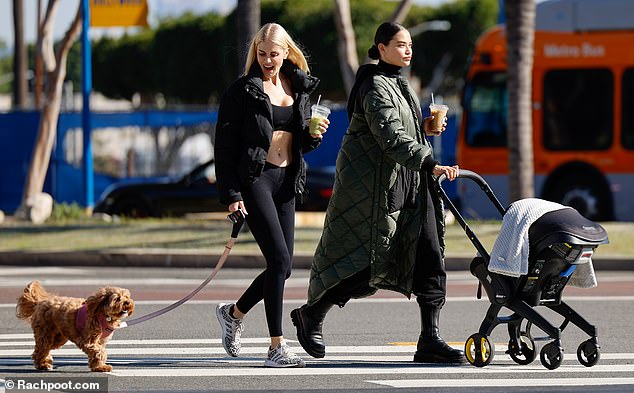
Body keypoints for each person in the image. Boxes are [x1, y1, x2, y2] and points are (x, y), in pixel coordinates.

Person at [290, 22, 463, 364]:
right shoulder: (373, 86)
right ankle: (312, 313)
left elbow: (404, 131)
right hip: (374, 190)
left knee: (430, 255)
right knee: (365, 263)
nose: (407, 50)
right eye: (400, 44)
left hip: (409, 184)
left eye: (409, 44)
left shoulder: (401, 84)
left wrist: (425, 128)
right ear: (381, 48)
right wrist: (431, 162)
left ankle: (430, 338)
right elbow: (391, 139)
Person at [214, 22, 329, 368]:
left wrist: (315, 135)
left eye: (274, 54)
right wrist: (232, 193)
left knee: (284, 265)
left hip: (287, 179)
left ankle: (233, 314)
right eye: (261, 54)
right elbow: (224, 146)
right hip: (256, 179)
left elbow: (302, 141)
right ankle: (276, 347)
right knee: (279, 260)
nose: (267, 60)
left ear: (286, 53)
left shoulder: (297, 86)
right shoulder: (243, 91)